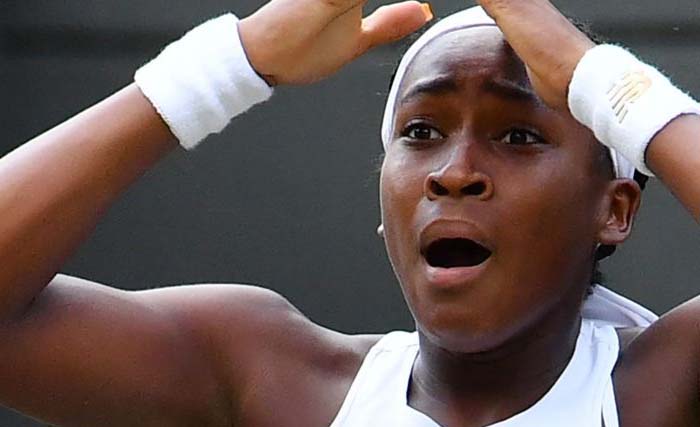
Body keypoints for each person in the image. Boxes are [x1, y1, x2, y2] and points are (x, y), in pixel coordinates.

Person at [1, 0, 699, 426]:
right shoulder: (279, 385)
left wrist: (597, 77)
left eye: (518, 135)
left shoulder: (664, 391)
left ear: (613, 209)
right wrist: (233, 64)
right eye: (421, 134)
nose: (453, 174)